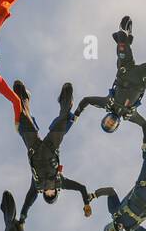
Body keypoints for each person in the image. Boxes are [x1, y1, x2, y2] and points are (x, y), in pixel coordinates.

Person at [75, 15, 146, 143]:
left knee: (121, 40)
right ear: (117, 125)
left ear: (105, 117)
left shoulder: (107, 103)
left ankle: (124, 36)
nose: (111, 121)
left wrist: (77, 113)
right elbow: (145, 125)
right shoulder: (129, 116)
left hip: (125, 72)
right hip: (142, 78)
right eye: (111, 125)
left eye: (107, 121)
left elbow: (86, 100)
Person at [12, 80, 92, 223]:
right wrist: (86, 203)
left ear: (44, 194)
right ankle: (65, 98)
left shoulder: (36, 188)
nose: (49, 192)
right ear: (56, 192)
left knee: (24, 117)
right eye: (52, 194)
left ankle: (22, 95)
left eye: (47, 195)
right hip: (51, 147)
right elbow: (81, 187)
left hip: (34, 148)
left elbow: (27, 203)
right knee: (64, 119)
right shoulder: (61, 182)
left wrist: (22, 218)